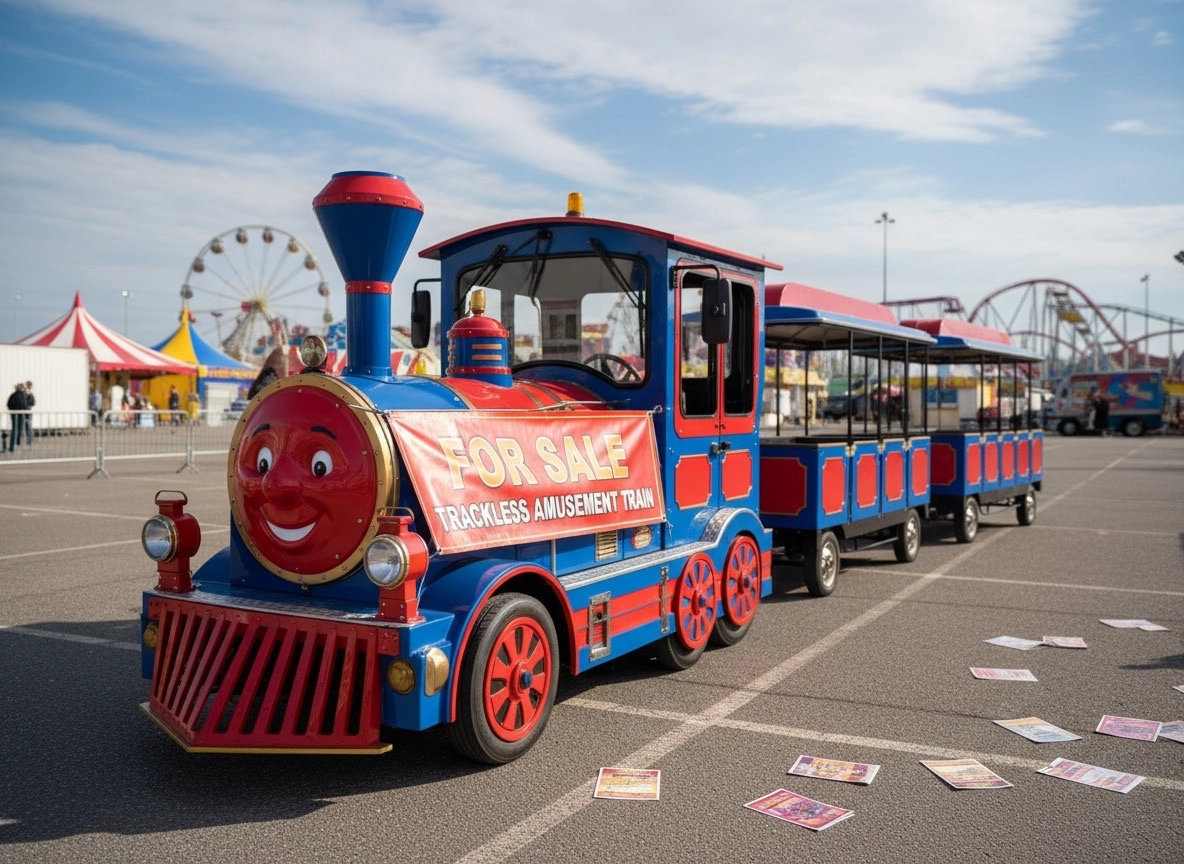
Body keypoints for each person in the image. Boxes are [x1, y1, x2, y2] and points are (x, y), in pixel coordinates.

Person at [7, 382, 28, 451]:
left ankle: (17, 443)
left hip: (21, 414)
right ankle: (12, 447)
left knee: (20, 429)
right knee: (15, 430)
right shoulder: (14, 395)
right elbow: (9, 404)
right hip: (16, 414)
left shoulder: (24, 395)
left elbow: (27, 403)